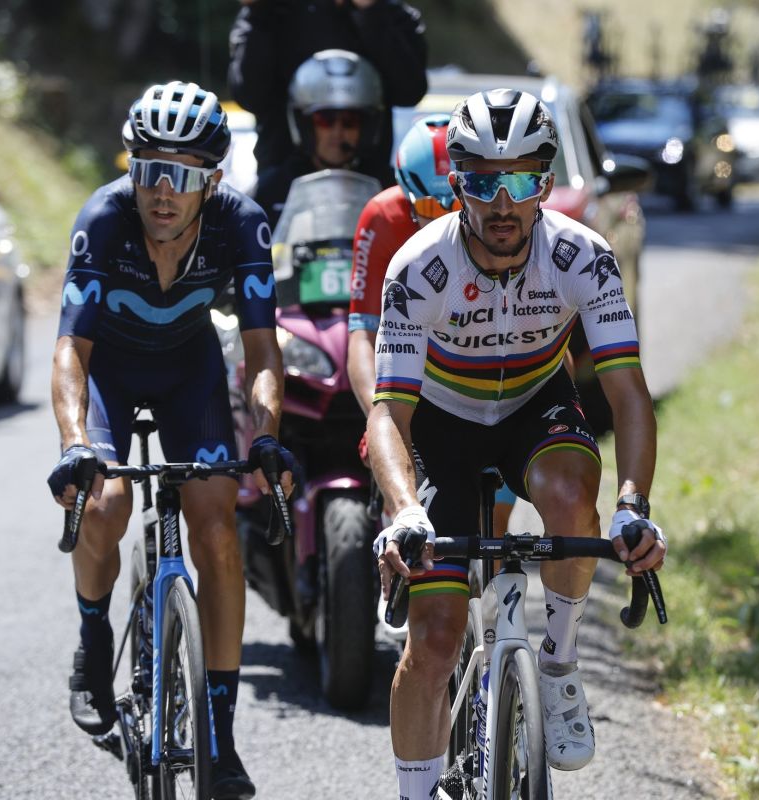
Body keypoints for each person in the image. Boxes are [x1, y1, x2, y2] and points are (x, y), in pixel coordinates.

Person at [366, 89, 666, 797]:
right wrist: (404, 510)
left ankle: (557, 666)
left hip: (536, 404)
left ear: (546, 183)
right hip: (442, 425)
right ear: (456, 184)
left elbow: (628, 394)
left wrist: (633, 506)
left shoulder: (582, 256)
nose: (503, 204)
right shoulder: (418, 267)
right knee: (434, 641)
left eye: (523, 180)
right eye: (482, 182)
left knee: (571, 494)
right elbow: (389, 413)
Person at [46, 80, 293, 800]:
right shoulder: (104, 218)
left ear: (212, 181)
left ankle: (221, 734)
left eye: (182, 176)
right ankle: (94, 640)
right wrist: (74, 441)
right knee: (103, 504)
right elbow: (70, 349)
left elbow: (262, 351)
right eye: (149, 169)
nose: (162, 191)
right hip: (109, 375)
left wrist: (267, 436)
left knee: (217, 528)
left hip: (190, 374)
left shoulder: (242, 224)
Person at [347, 113, 515, 532]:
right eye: (427, 208)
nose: (444, 219)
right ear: (405, 194)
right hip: (416, 380)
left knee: (493, 528)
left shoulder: (499, 220)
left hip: (489, 367)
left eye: (455, 206)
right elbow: (363, 334)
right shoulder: (382, 218)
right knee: (419, 518)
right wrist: (377, 417)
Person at [227, 0, 427, 184]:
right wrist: (259, 10)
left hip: (368, 186)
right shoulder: (268, 11)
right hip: (285, 187)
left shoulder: (392, 15)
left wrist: (370, 12)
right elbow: (250, 96)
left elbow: (410, 92)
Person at [252, 48, 384, 230]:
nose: (337, 132)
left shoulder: (385, 187)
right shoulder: (271, 189)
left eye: (350, 121)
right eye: (325, 120)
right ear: (304, 124)